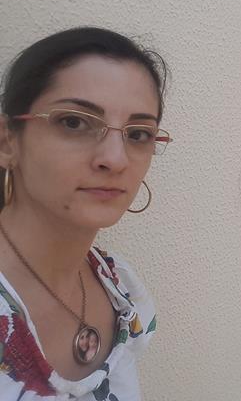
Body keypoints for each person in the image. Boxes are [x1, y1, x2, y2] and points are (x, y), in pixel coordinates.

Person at [0, 27, 172, 400]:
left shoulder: (120, 289)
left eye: (138, 134)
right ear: (7, 141)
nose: (115, 159)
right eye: (75, 122)